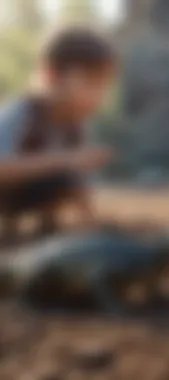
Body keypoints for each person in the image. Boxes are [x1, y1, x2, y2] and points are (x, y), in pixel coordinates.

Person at [0, 25, 117, 240]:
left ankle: (45, 228)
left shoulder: (75, 125)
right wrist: (63, 159)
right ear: (52, 75)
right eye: (91, 83)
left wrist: (92, 222)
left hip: (30, 197)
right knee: (65, 166)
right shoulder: (21, 113)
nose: (98, 96)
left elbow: (77, 183)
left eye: (103, 86)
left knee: (68, 174)